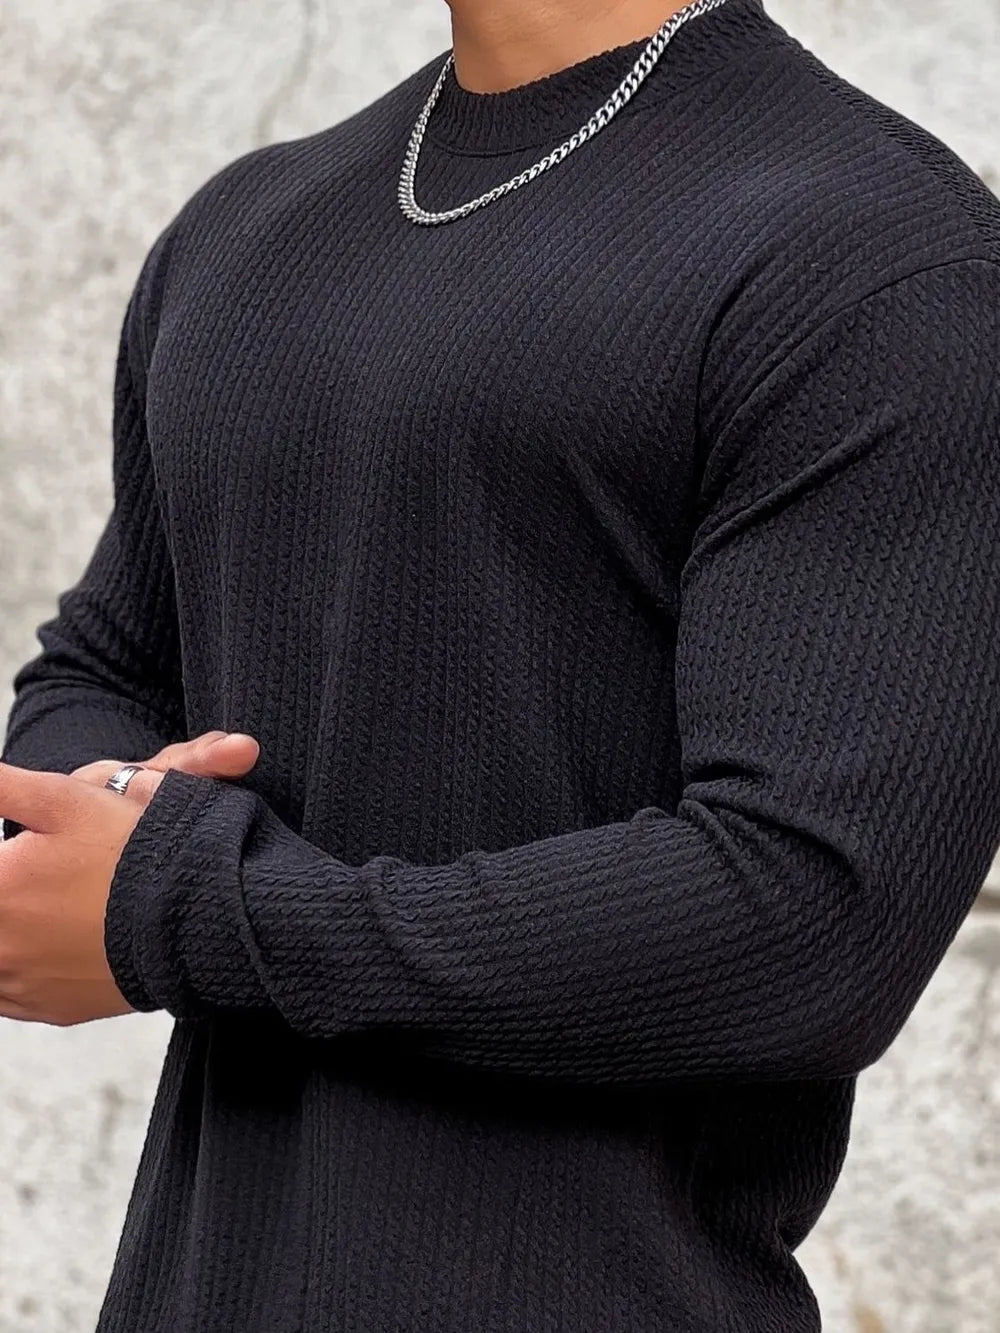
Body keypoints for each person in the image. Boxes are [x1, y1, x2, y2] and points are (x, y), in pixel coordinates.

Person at [2, 0, 999, 1327]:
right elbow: (98, 673)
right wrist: (106, 819)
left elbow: (811, 918)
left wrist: (187, 907)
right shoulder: (249, 228)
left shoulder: (881, 259)